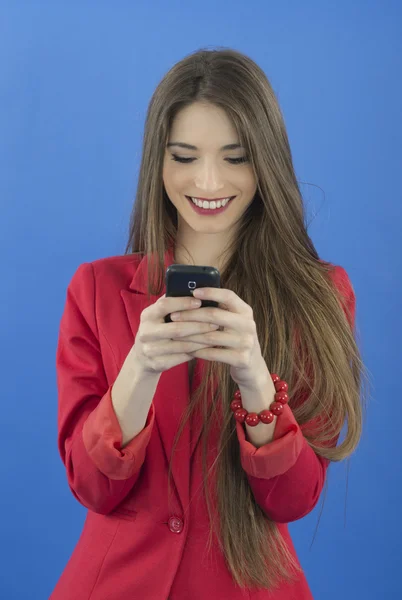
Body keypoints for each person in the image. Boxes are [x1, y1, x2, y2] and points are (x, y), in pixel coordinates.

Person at [50, 48, 367, 600]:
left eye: (236, 157)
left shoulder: (321, 294)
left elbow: (293, 499)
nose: (209, 180)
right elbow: (92, 486)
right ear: (159, 162)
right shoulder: (95, 290)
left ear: (266, 160)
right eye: (184, 156)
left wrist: (256, 380)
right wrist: (140, 368)